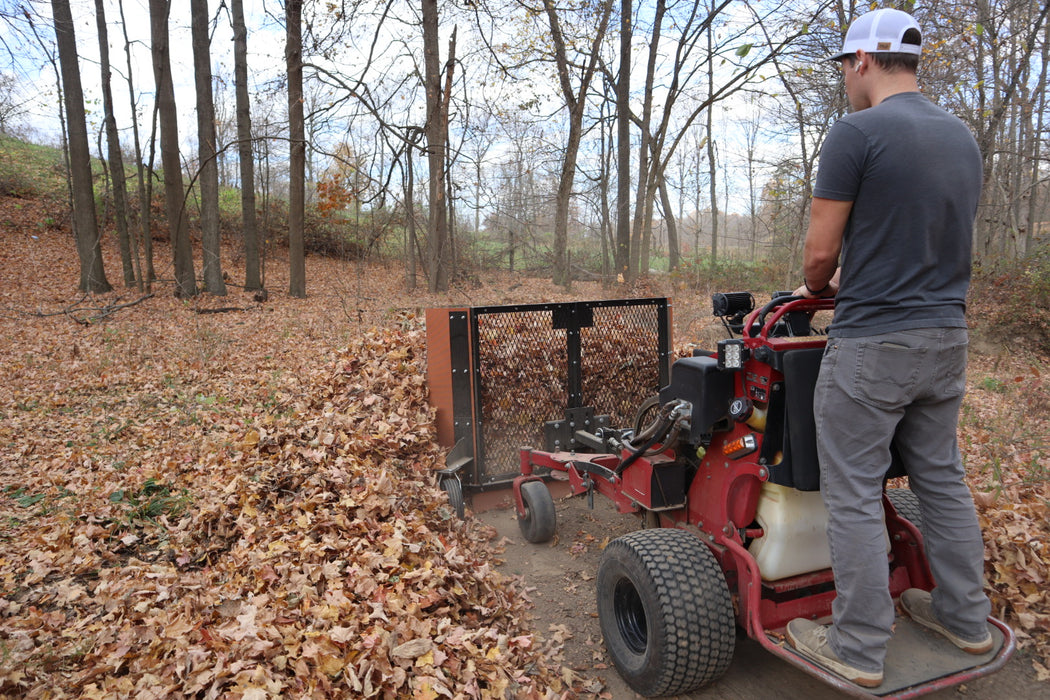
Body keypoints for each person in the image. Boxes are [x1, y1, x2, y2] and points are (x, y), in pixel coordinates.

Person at [784, 8, 993, 688]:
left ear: (864, 61)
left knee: (851, 492)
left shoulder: (857, 132)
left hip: (874, 341)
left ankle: (858, 644)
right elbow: (925, 238)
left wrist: (821, 283)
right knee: (941, 479)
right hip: (947, 338)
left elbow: (820, 254)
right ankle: (966, 620)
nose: (846, 79)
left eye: (844, 65)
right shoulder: (960, 137)